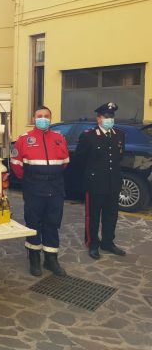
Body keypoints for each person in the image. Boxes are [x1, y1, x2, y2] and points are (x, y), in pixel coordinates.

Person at [10, 106, 69, 277]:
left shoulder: (59, 138)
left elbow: (65, 162)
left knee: (52, 223)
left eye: (46, 116)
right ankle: (34, 259)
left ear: (51, 118)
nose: (43, 119)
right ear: (33, 118)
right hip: (34, 188)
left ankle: (51, 259)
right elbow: (16, 165)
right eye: (39, 116)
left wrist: (51, 175)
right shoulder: (24, 139)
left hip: (56, 188)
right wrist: (31, 180)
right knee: (33, 223)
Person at [74, 102, 126, 260]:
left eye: (112, 116)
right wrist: (89, 178)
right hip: (95, 184)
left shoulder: (119, 134)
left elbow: (119, 157)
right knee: (93, 216)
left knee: (111, 215)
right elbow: (79, 160)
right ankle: (93, 244)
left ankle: (108, 242)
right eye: (106, 116)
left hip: (113, 182)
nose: (109, 119)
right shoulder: (88, 136)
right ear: (98, 118)